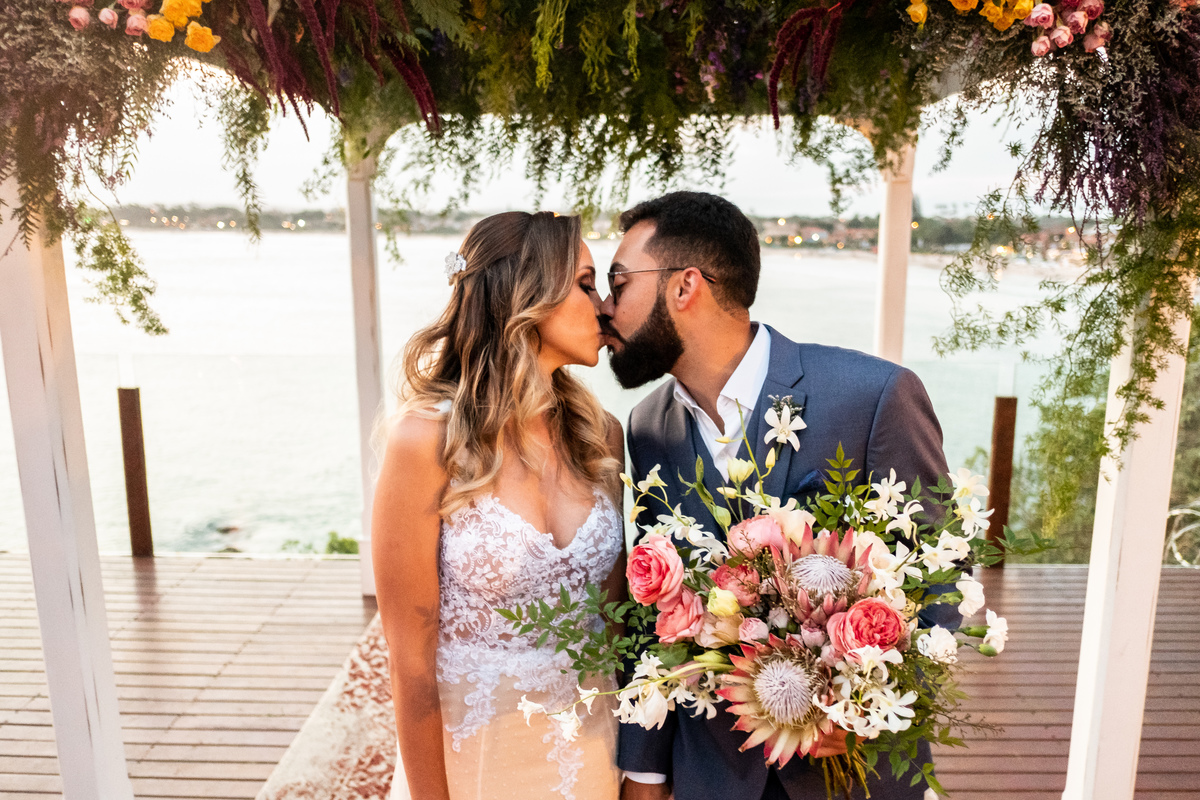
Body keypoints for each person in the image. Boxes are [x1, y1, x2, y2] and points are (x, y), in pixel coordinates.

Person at [598, 191, 953, 800]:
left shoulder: (874, 396)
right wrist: (646, 772)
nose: (604, 309)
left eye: (618, 282)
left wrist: (868, 709)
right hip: (711, 776)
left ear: (685, 287)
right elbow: (654, 616)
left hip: (852, 777)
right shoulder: (647, 427)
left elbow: (940, 576)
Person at [373, 211, 627, 800]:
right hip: (476, 765)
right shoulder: (425, 441)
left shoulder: (601, 436)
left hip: (593, 753)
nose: (605, 307)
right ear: (528, 298)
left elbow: (614, 626)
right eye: (586, 285)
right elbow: (410, 662)